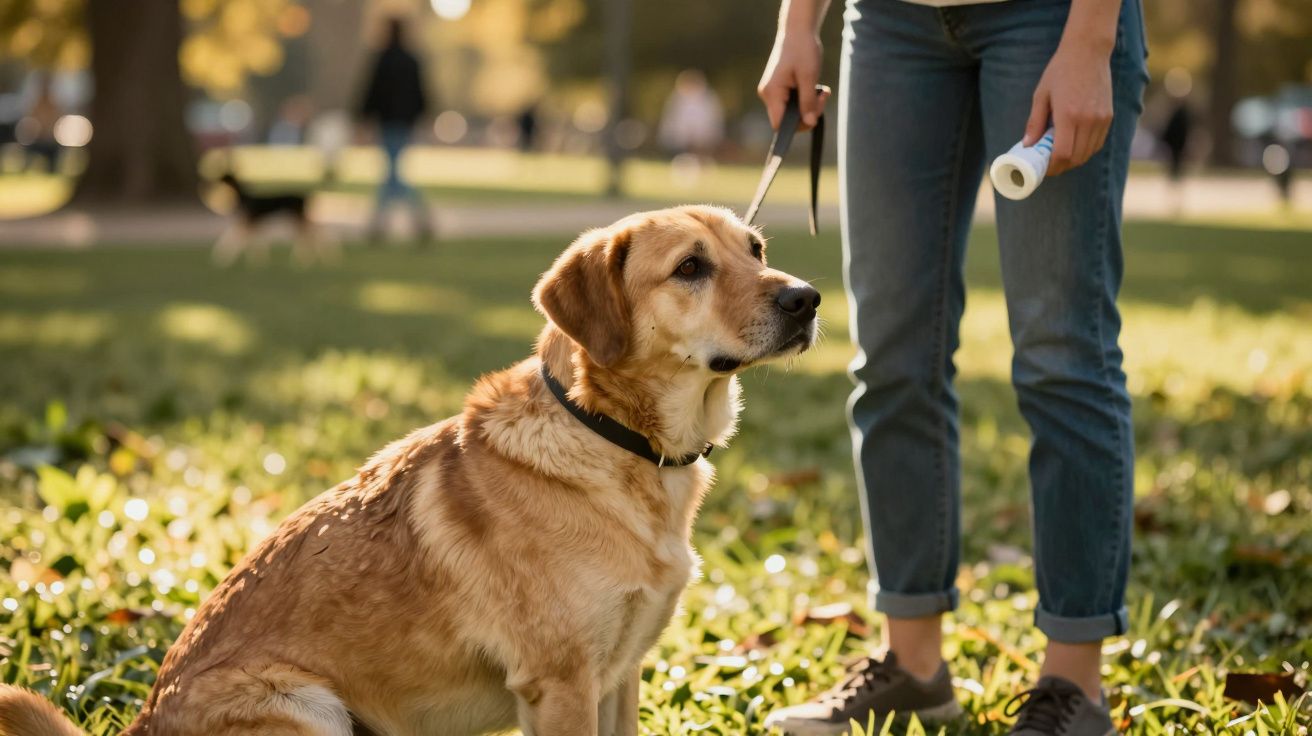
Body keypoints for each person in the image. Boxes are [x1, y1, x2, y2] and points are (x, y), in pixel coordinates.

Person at [757, 0, 1148, 733]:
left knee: (1062, 353)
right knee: (892, 356)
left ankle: (1074, 687)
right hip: (889, 24)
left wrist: (1093, 38)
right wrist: (797, 23)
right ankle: (914, 667)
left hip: (1051, 19)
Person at [359, 17, 432, 243]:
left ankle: (383, 223)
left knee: (392, 175)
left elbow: (372, 91)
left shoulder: (384, 59)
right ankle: (387, 222)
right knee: (392, 173)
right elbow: (422, 93)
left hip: (389, 122)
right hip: (404, 123)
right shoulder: (410, 60)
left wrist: (363, 117)